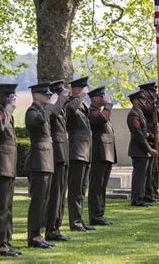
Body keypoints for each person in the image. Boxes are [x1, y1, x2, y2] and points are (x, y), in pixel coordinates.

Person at [0, 84, 23, 257]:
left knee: (7, 208)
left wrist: (8, 110)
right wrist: (8, 108)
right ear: (0, 96)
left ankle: (6, 243)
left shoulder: (5, 113)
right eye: (9, 96)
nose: (12, 99)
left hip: (7, 166)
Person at [25, 82, 63, 248]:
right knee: (38, 201)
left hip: (46, 160)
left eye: (49, 94)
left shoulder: (42, 110)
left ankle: (41, 235)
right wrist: (51, 104)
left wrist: (59, 100)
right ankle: (33, 236)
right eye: (45, 94)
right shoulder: (32, 112)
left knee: (45, 200)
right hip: (38, 161)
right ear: (35, 95)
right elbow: (40, 120)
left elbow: (55, 112)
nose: (48, 96)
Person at [66, 76, 95, 231]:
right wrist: (80, 97)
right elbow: (69, 111)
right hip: (76, 150)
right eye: (82, 88)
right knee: (75, 188)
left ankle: (80, 220)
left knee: (82, 188)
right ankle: (75, 222)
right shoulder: (69, 102)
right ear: (75, 89)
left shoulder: (82, 105)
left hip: (85, 150)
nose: (85, 90)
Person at [45, 80, 71, 242]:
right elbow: (53, 113)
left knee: (61, 193)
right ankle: (51, 229)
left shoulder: (60, 108)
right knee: (55, 194)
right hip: (56, 154)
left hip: (63, 153)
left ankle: (57, 226)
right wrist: (60, 98)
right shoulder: (53, 107)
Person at [88, 86, 116, 226]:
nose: (105, 97)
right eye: (102, 96)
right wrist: (108, 105)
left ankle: (100, 214)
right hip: (98, 154)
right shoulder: (92, 112)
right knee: (96, 186)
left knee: (102, 186)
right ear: (94, 98)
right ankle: (94, 215)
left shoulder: (100, 112)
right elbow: (102, 119)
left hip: (107, 154)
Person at [126, 91, 159, 207]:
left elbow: (144, 132)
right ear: (136, 101)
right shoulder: (133, 114)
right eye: (142, 99)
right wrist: (149, 149)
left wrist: (151, 136)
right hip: (138, 149)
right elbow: (138, 134)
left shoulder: (139, 113)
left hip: (143, 149)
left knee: (145, 175)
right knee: (139, 177)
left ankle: (143, 196)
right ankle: (137, 199)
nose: (145, 101)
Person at [138, 82, 159, 204]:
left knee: (152, 170)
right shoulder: (145, 105)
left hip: (153, 139)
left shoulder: (151, 103)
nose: (155, 93)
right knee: (147, 172)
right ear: (145, 92)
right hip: (147, 139)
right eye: (152, 91)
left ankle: (151, 192)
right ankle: (147, 194)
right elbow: (155, 113)